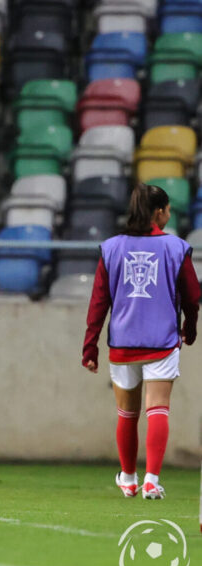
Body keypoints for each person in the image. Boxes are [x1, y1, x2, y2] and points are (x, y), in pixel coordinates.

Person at [82, 183, 199, 500]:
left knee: (127, 414)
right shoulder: (176, 247)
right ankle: (151, 479)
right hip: (161, 342)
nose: (170, 213)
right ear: (159, 212)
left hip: (123, 344)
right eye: (168, 209)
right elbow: (193, 295)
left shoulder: (111, 247)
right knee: (158, 409)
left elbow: (99, 302)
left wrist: (90, 345)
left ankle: (129, 479)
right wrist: (190, 325)